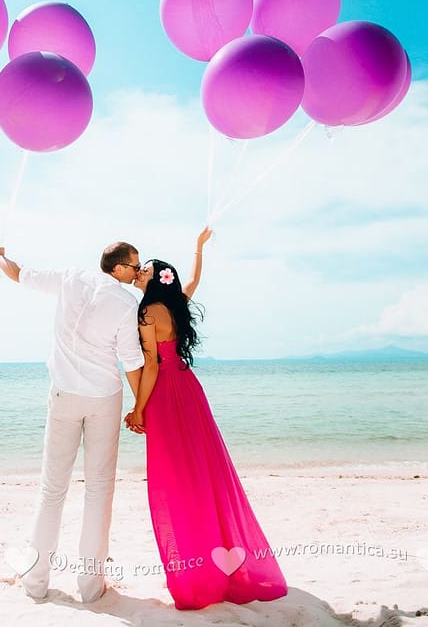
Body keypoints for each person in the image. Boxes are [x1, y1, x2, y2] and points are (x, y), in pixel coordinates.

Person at [124, 229, 288, 610]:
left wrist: (138, 408)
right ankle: (219, 560)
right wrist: (197, 249)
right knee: (203, 467)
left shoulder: (147, 312)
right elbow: (195, 279)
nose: (139, 272)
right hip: (189, 388)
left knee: (174, 474)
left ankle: (197, 568)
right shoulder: (177, 304)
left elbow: (150, 363)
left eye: (143, 270)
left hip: (165, 391)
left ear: (156, 277)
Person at [0, 241, 144, 604]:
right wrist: (141, 406)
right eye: (135, 266)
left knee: (51, 490)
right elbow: (131, 359)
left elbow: (20, 274)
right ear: (118, 269)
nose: (137, 273)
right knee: (99, 492)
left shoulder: (71, 278)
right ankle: (91, 588)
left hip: (64, 396)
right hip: (104, 397)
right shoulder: (124, 303)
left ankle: (36, 582)